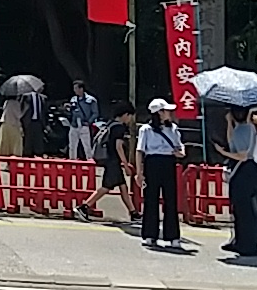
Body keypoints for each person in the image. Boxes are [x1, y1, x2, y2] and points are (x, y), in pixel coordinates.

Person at [217, 104, 257, 257]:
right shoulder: (244, 131)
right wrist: (230, 122)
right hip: (248, 170)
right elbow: (232, 143)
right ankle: (243, 239)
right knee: (245, 208)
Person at [137, 98, 188, 251]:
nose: (169, 113)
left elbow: (180, 147)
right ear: (158, 113)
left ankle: (172, 236)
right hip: (152, 162)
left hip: (168, 162)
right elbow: (140, 151)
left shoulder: (173, 128)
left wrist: (181, 153)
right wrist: (139, 172)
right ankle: (149, 234)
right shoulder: (145, 129)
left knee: (170, 199)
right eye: (166, 111)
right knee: (151, 198)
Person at [75, 101, 137, 222]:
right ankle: (84, 207)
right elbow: (118, 146)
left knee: (123, 186)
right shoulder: (119, 127)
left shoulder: (110, 124)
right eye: (130, 116)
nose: (130, 119)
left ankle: (133, 212)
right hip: (113, 160)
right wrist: (126, 164)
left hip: (108, 159)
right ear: (125, 114)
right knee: (106, 187)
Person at [65, 80, 100, 160]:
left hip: (84, 124)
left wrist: (89, 122)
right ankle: (72, 161)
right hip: (74, 124)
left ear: (81, 89)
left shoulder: (91, 100)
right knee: (72, 145)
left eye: (76, 88)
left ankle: (89, 161)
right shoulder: (73, 99)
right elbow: (72, 112)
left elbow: (95, 113)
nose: (75, 90)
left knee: (87, 145)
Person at [23, 83, 48, 156]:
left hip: (38, 122)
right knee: (28, 140)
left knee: (39, 140)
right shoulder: (27, 96)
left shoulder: (43, 98)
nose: (42, 88)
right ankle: (27, 156)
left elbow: (44, 112)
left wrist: (45, 124)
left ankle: (39, 154)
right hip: (29, 121)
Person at [0, 94, 25, 158]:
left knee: (6, 144)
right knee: (16, 144)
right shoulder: (16, 104)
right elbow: (19, 115)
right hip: (14, 125)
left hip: (5, 123)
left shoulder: (6, 102)